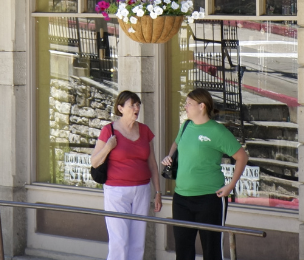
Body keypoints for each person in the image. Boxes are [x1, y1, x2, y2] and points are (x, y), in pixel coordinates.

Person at [160, 88, 249, 260]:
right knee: (183, 250)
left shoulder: (217, 131)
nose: (185, 106)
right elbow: (176, 144)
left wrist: (231, 185)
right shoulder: (186, 126)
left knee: (212, 250)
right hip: (181, 198)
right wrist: (169, 157)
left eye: (189, 103)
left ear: (202, 106)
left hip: (210, 198)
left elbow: (241, 157)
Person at [90, 90, 162, 260]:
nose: (136, 108)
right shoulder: (109, 131)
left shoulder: (144, 131)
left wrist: (158, 192)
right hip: (116, 191)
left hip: (142, 190)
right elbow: (94, 161)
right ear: (121, 108)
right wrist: (108, 147)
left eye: (138, 105)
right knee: (120, 241)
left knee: (137, 242)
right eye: (132, 105)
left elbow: (152, 164)